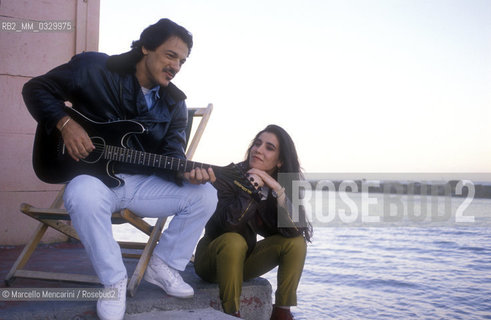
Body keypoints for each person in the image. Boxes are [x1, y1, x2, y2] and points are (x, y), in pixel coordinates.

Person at [22, 19, 217, 320]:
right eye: (170, 55)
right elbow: (36, 89)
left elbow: (171, 155)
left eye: (181, 61)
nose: (176, 66)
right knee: (81, 194)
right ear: (146, 47)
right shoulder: (94, 68)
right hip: (95, 180)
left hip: (142, 185)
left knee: (205, 194)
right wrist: (65, 124)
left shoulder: (175, 104)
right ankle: (113, 281)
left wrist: (183, 171)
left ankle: (163, 265)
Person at [194, 124, 312, 320]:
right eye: (257, 144)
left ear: (280, 161)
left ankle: (282, 312)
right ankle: (232, 313)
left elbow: (295, 230)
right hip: (211, 260)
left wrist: (278, 191)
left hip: (243, 263)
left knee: (296, 243)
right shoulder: (227, 176)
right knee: (234, 239)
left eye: (269, 147)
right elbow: (229, 224)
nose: (259, 149)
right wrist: (251, 188)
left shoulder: (280, 184)